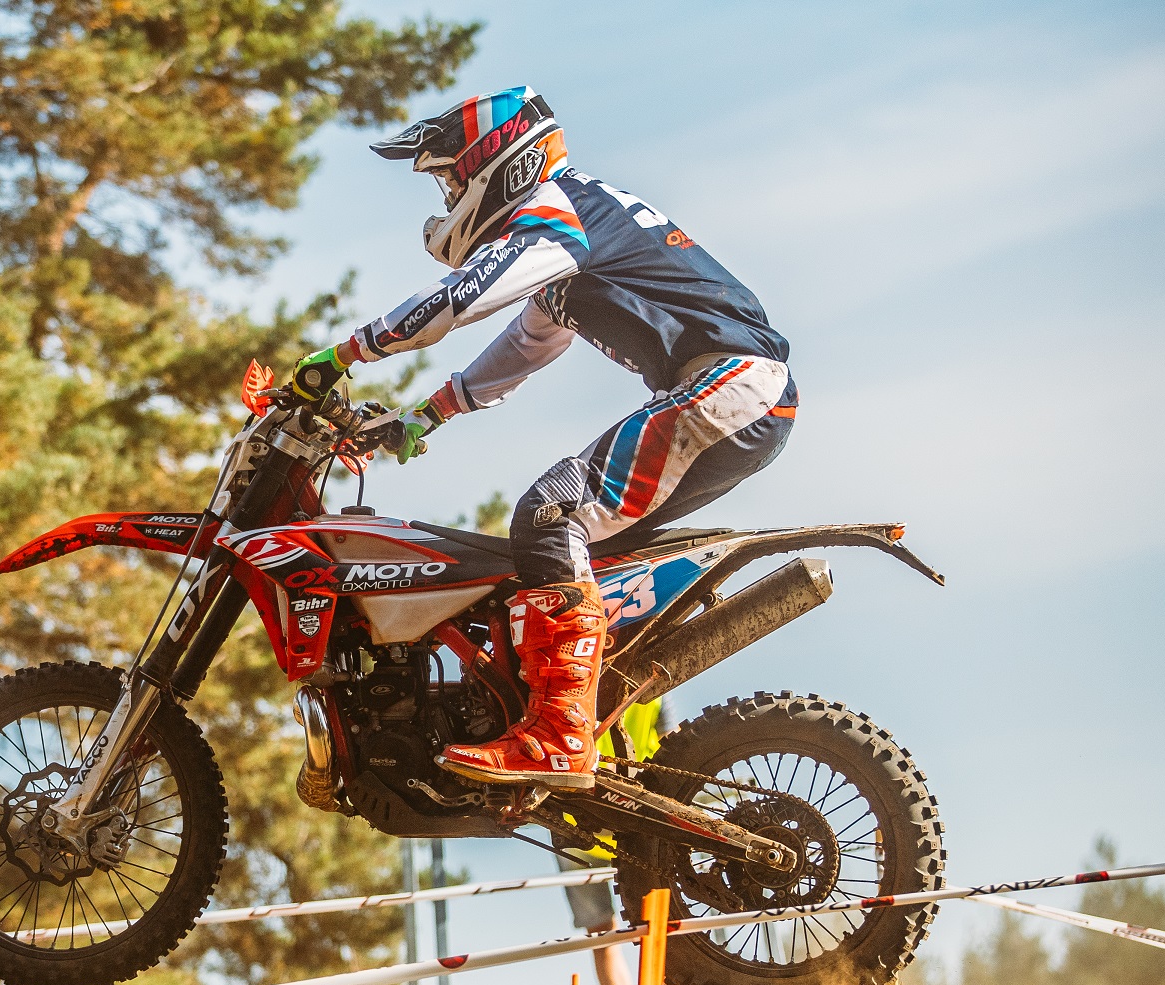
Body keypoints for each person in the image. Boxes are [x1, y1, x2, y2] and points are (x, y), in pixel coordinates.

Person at [289, 86, 796, 791]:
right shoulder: (569, 230)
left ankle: (559, 737)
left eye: (450, 179)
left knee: (553, 514)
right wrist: (425, 416)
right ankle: (583, 720)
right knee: (571, 553)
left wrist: (346, 353)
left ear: (498, 162)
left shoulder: (557, 210)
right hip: (733, 392)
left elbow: (464, 297)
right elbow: (530, 342)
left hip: (733, 385)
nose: (447, 199)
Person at [556, 699, 699, 985]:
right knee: (660, 929)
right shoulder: (653, 687)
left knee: (602, 937)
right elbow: (676, 744)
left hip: (575, 825)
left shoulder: (568, 688)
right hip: (636, 817)